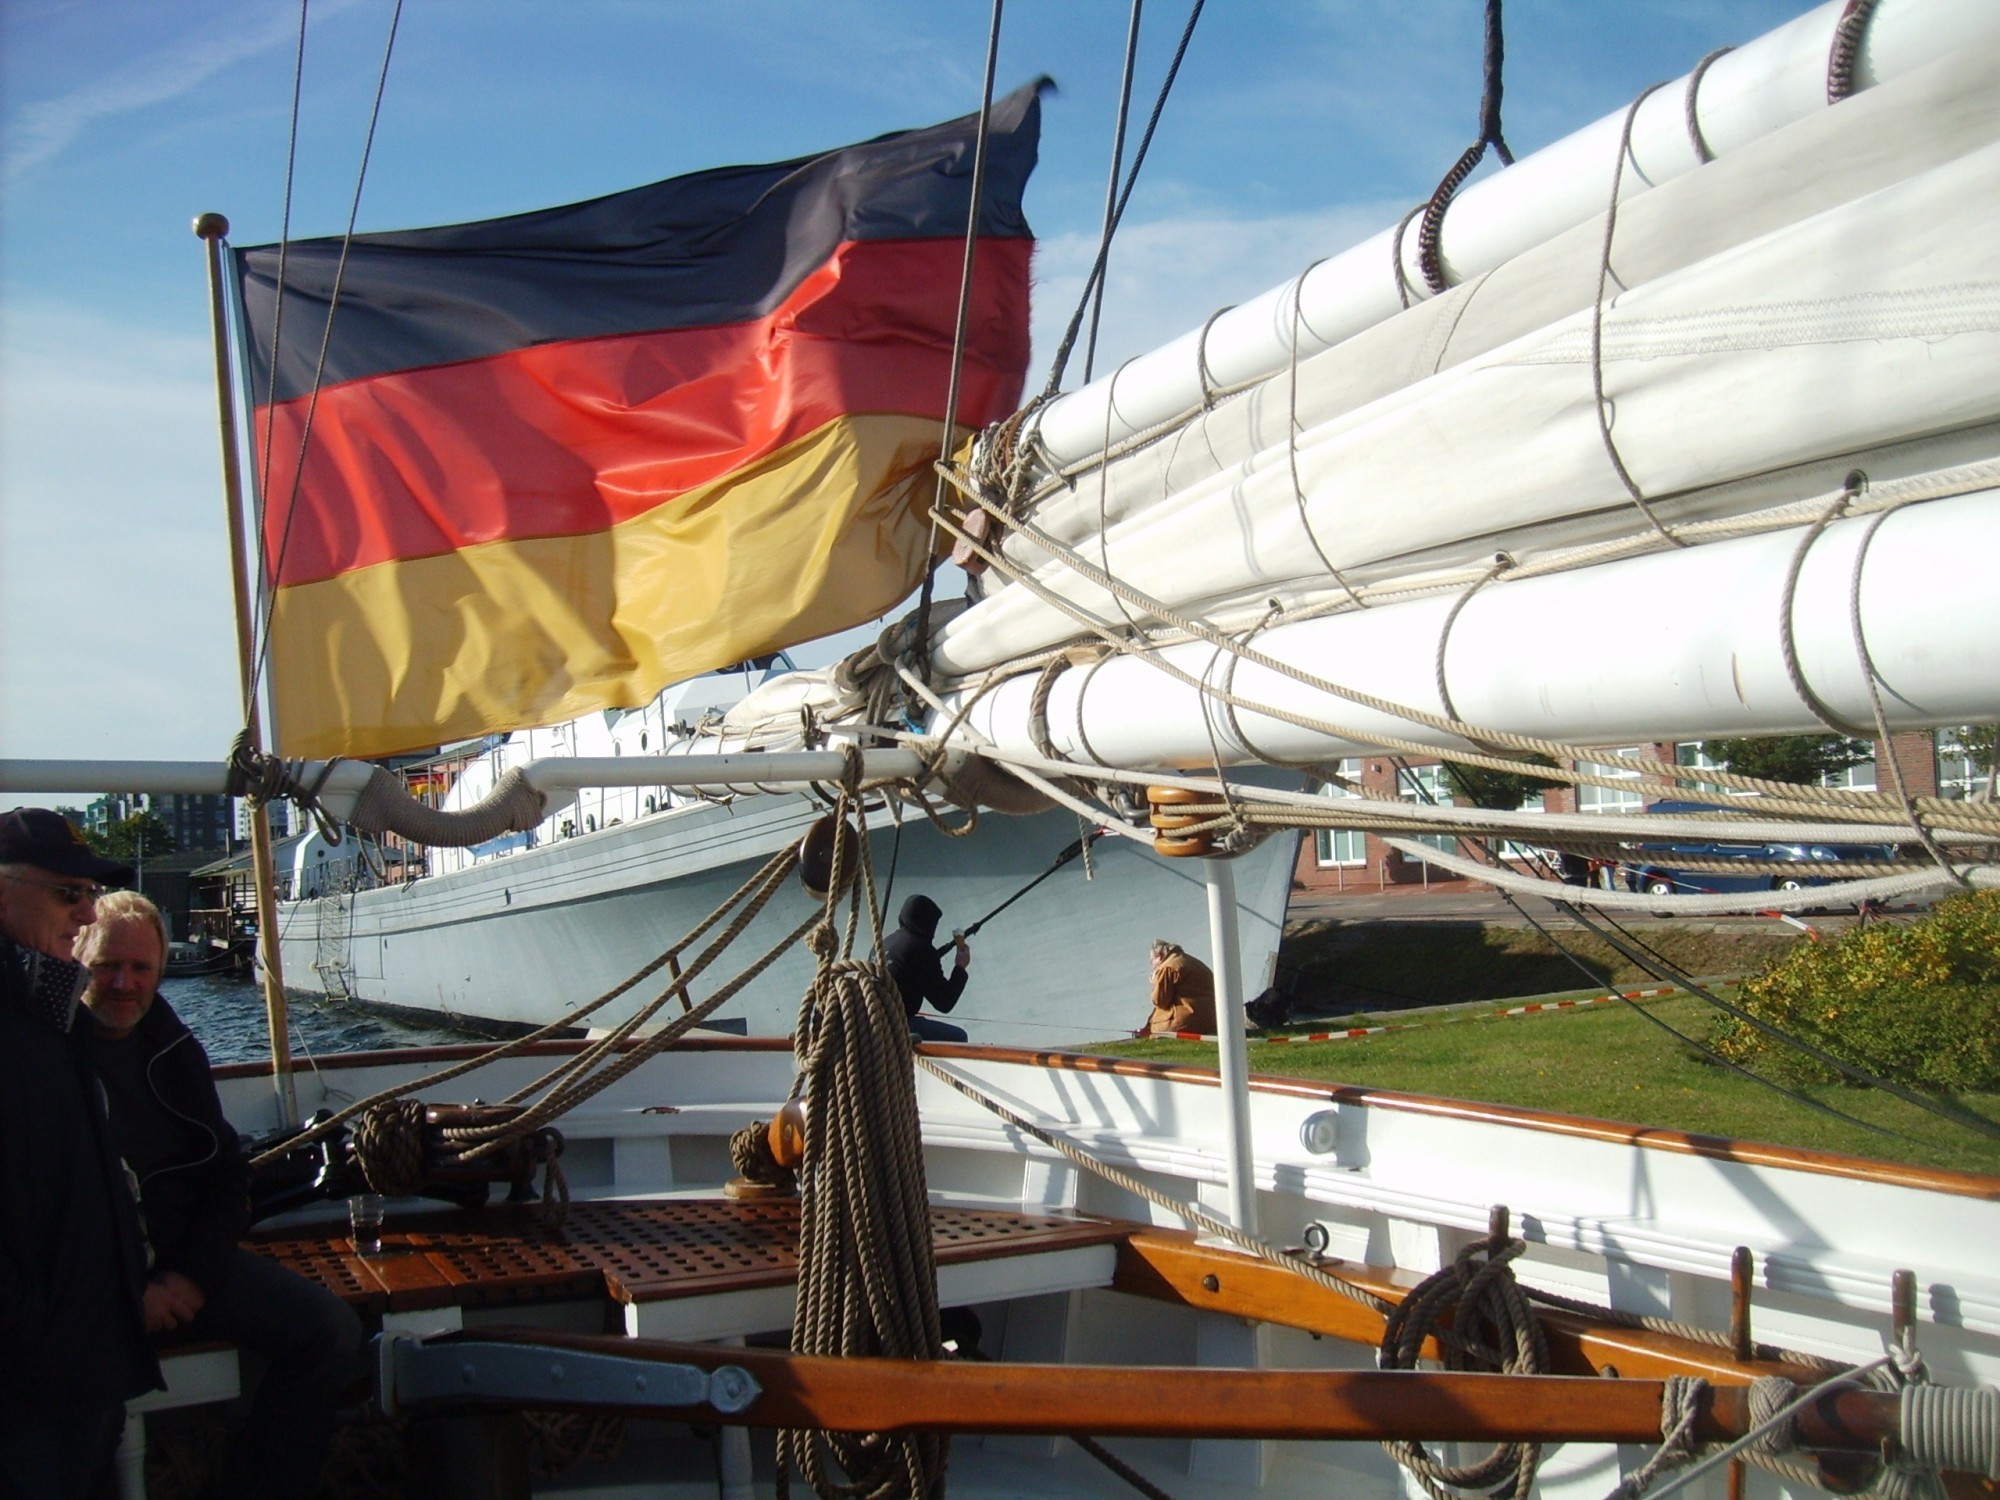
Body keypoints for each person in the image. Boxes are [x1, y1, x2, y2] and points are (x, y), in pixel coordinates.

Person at [77, 890, 365, 1500]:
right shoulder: (46, 1056)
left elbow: (226, 1177)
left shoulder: (173, 1049)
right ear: (76, 958)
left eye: (141, 968)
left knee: (330, 1333)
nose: (124, 983)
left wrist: (186, 1281)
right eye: (106, 966)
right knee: (72, 1413)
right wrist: (127, 1296)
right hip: (88, 1291)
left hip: (180, 1263)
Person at [0, 808, 158, 1499]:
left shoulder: (51, 1005)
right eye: (69, 893)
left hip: (82, 1363)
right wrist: (34, 1335)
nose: (88, 912)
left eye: (91, 893)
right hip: (27, 1384)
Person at [883, 894, 972, 1043]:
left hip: (873, 1019)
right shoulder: (921, 949)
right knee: (958, 1036)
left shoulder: (885, 942)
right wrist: (960, 967)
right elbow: (945, 1002)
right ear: (927, 924)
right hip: (896, 1025)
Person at [1139, 939, 1217, 1037]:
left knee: (1152, 1027)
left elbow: (1159, 1001)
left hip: (1186, 1022)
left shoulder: (1167, 967)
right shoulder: (1195, 962)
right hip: (1211, 1020)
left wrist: (1155, 982)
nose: (1153, 966)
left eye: (1152, 961)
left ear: (1159, 956)